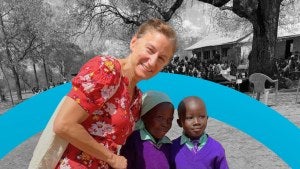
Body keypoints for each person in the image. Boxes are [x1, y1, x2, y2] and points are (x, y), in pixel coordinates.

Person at [51, 18, 177, 169]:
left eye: (161, 58)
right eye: (150, 50)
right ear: (134, 42)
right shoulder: (106, 70)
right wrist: (111, 158)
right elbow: (64, 124)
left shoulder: (137, 98)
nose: (152, 62)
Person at [120, 91, 174, 169]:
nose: (165, 124)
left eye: (170, 119)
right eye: (160, 117)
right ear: (144, 116)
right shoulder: (134, 140)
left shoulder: (168, 145)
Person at [171, 96, 229, 169]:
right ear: (180, 122)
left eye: (202, 117)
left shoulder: (216, 148)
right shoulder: (172, 148)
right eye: (190, 118)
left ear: (207, 118)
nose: (196, 122)